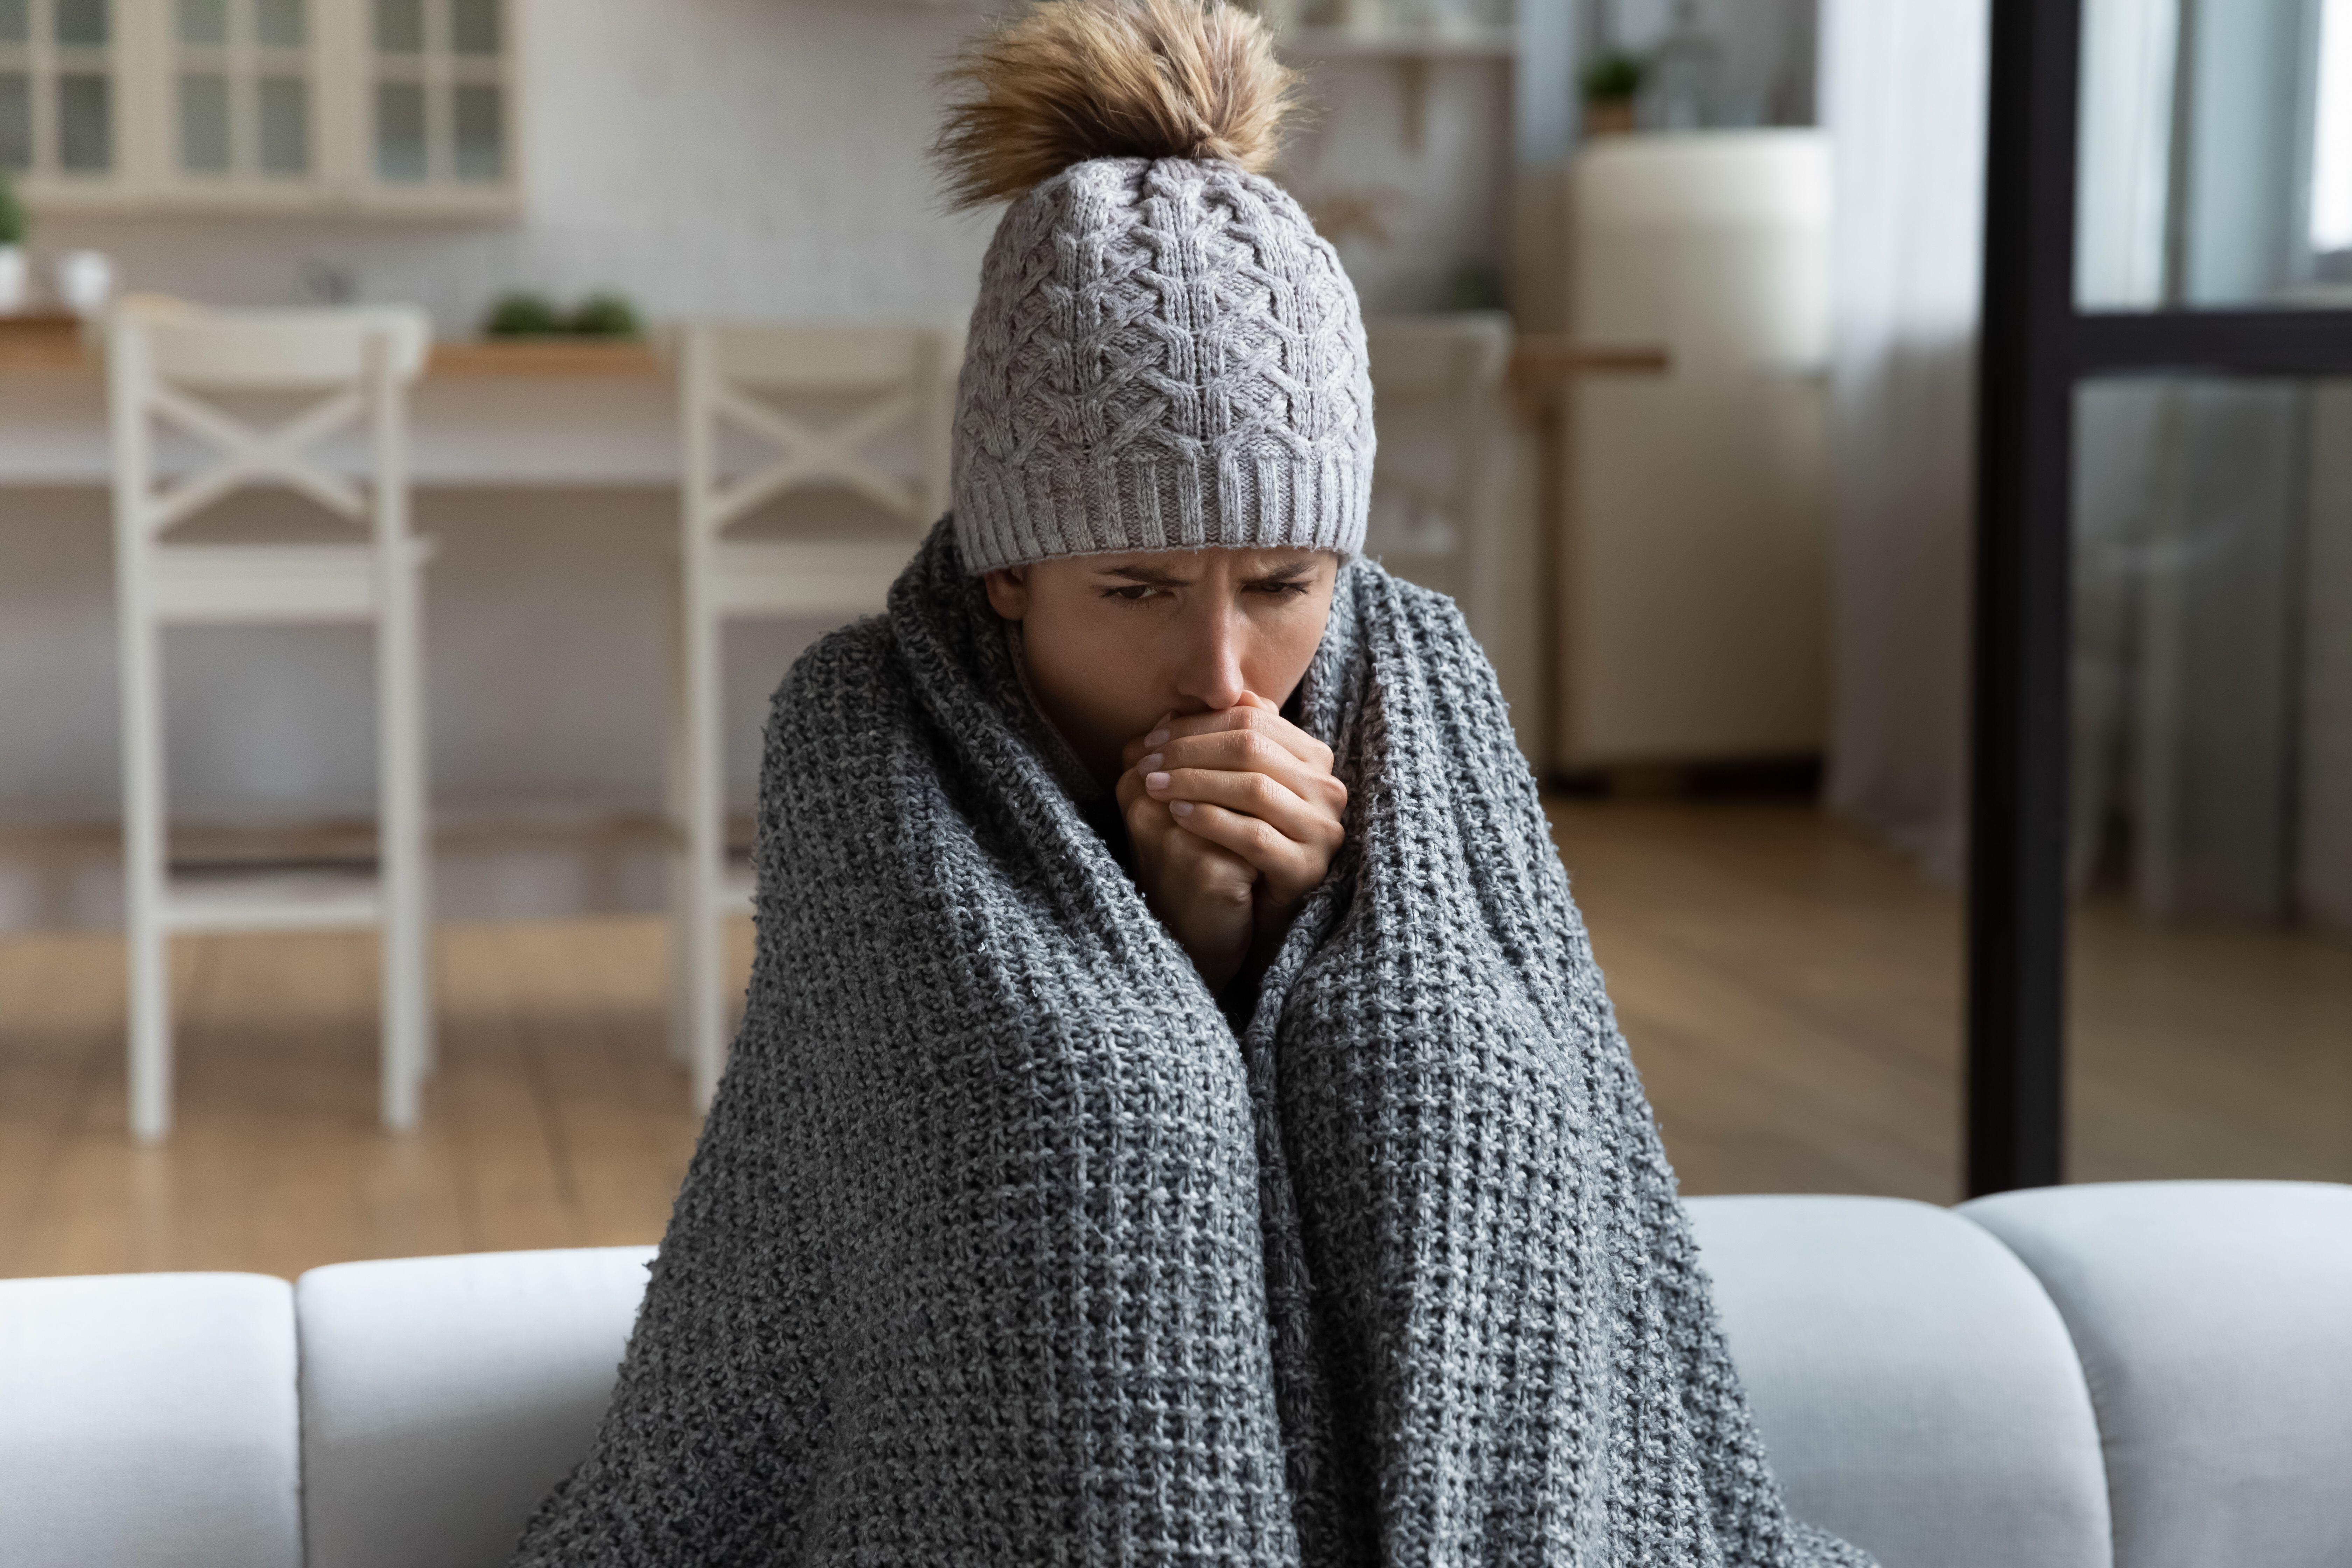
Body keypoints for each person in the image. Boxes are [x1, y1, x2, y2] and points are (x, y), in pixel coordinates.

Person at [511, 3, 1875, 1564]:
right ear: (1011, 574)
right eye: (1141, 589)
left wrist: (1273, 935)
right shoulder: (863, 727)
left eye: (1285, 580)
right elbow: (968, 1136)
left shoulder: (1417, 679)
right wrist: (1174, 950)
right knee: (1103, 1101)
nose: (1228, 669)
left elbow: (1545, 1118)